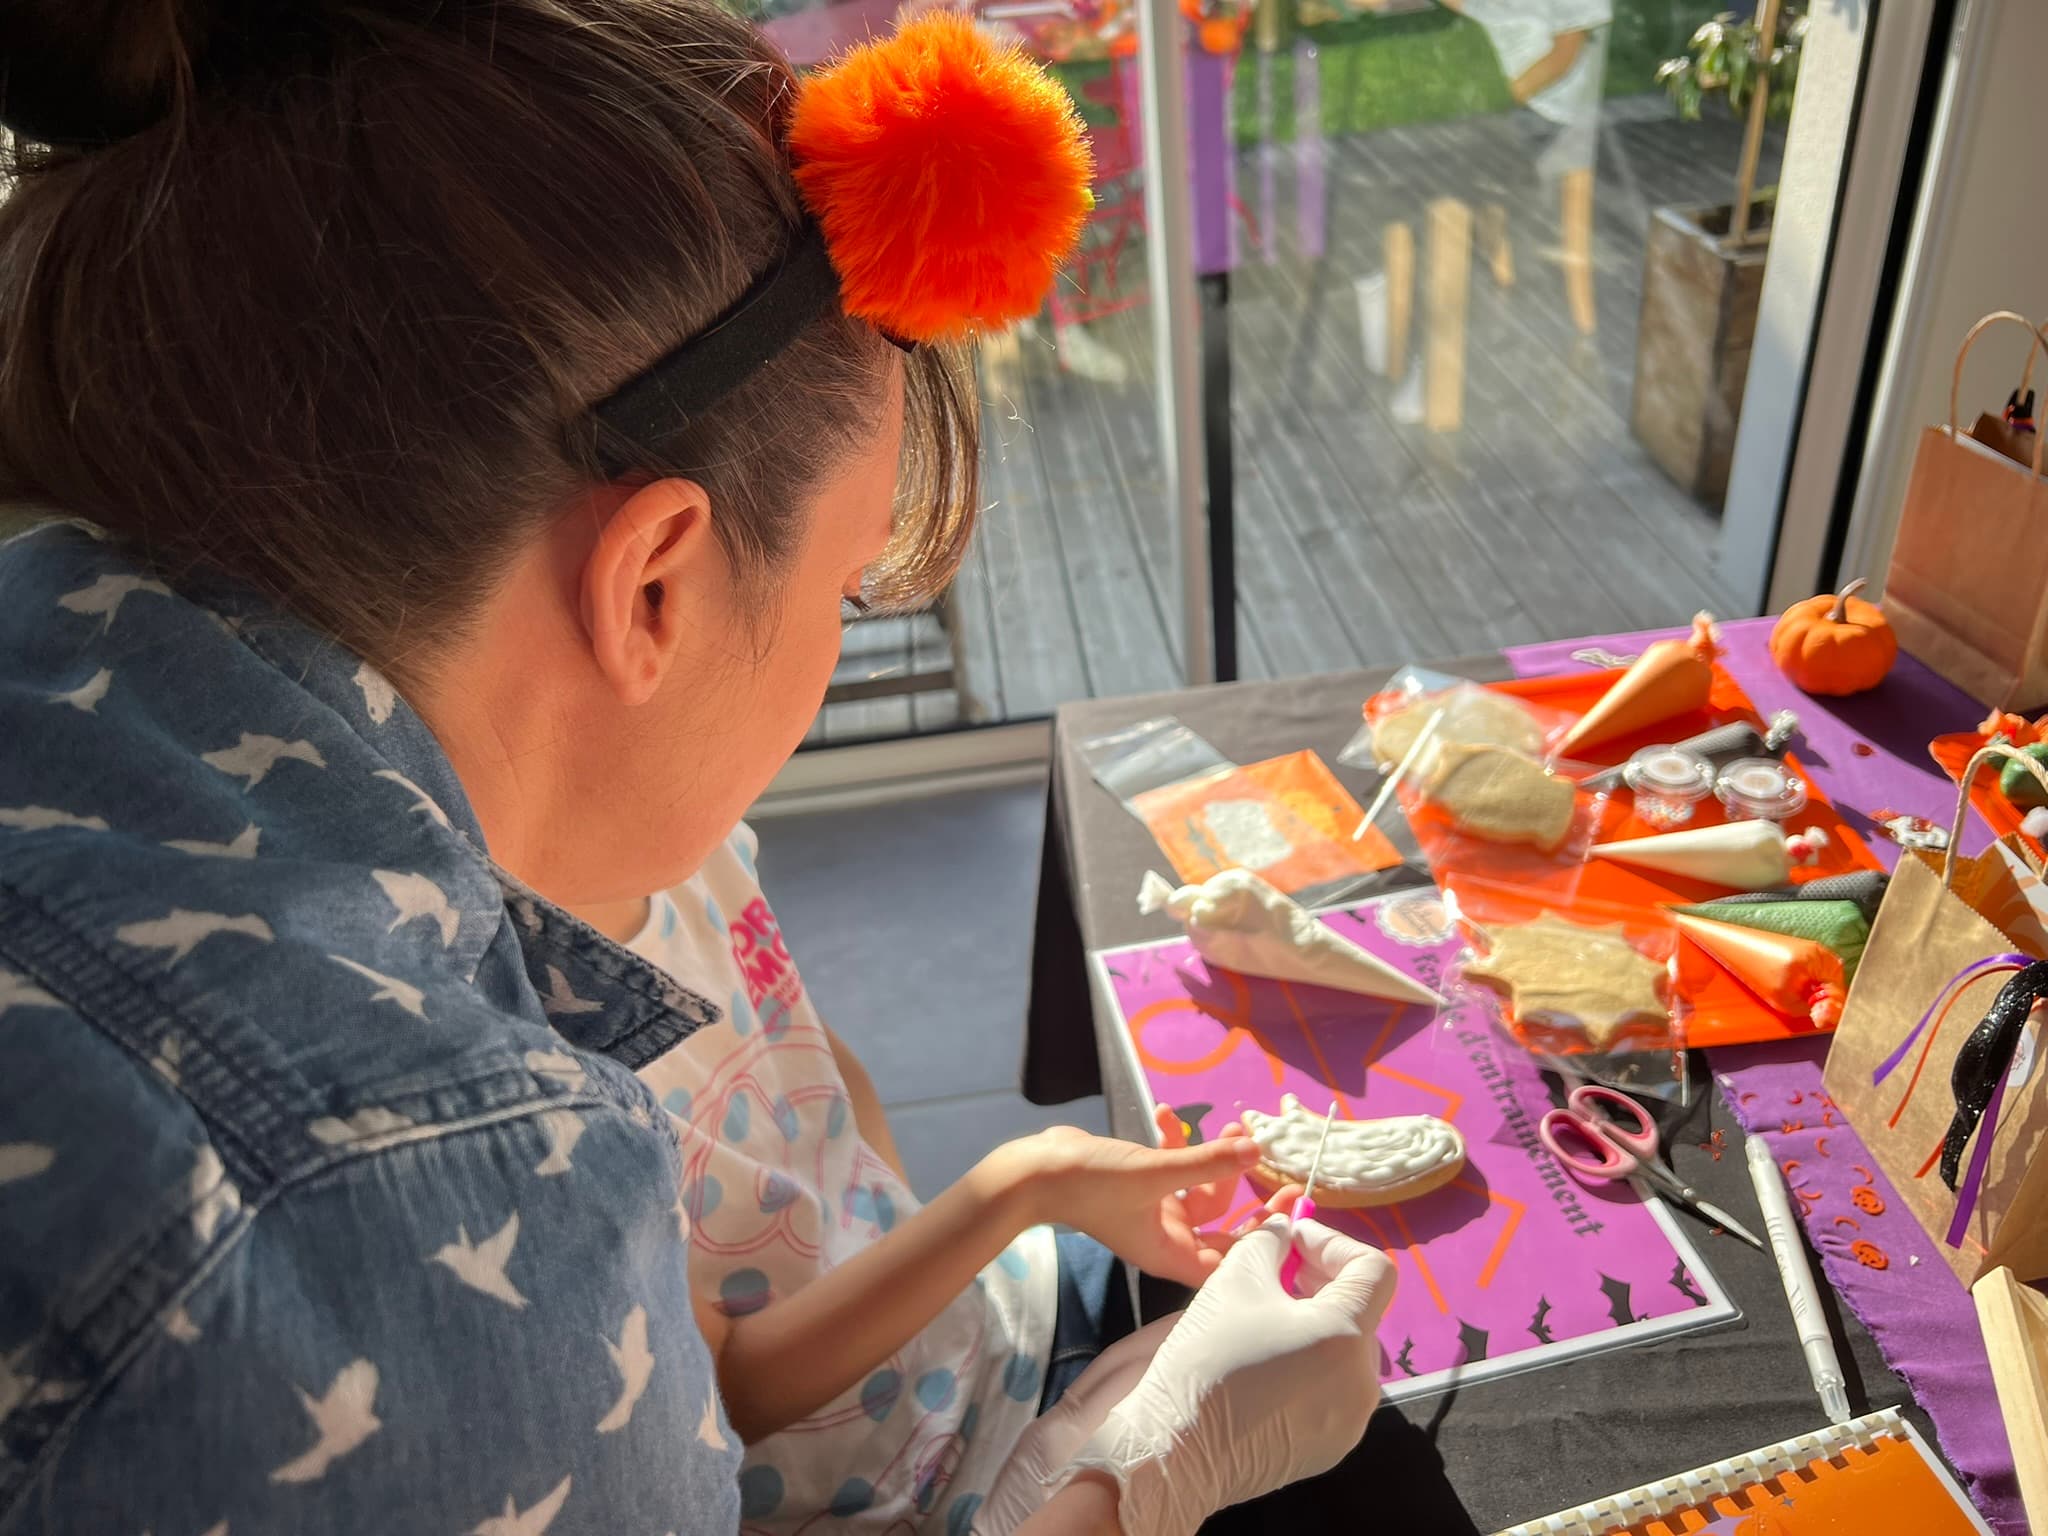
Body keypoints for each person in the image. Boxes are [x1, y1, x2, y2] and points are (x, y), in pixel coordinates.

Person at [0, 2, 1397, 1533]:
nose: (823, 660)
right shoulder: (445, 1225)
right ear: (654, 581)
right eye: (847, 595)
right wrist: (1142, 1478)